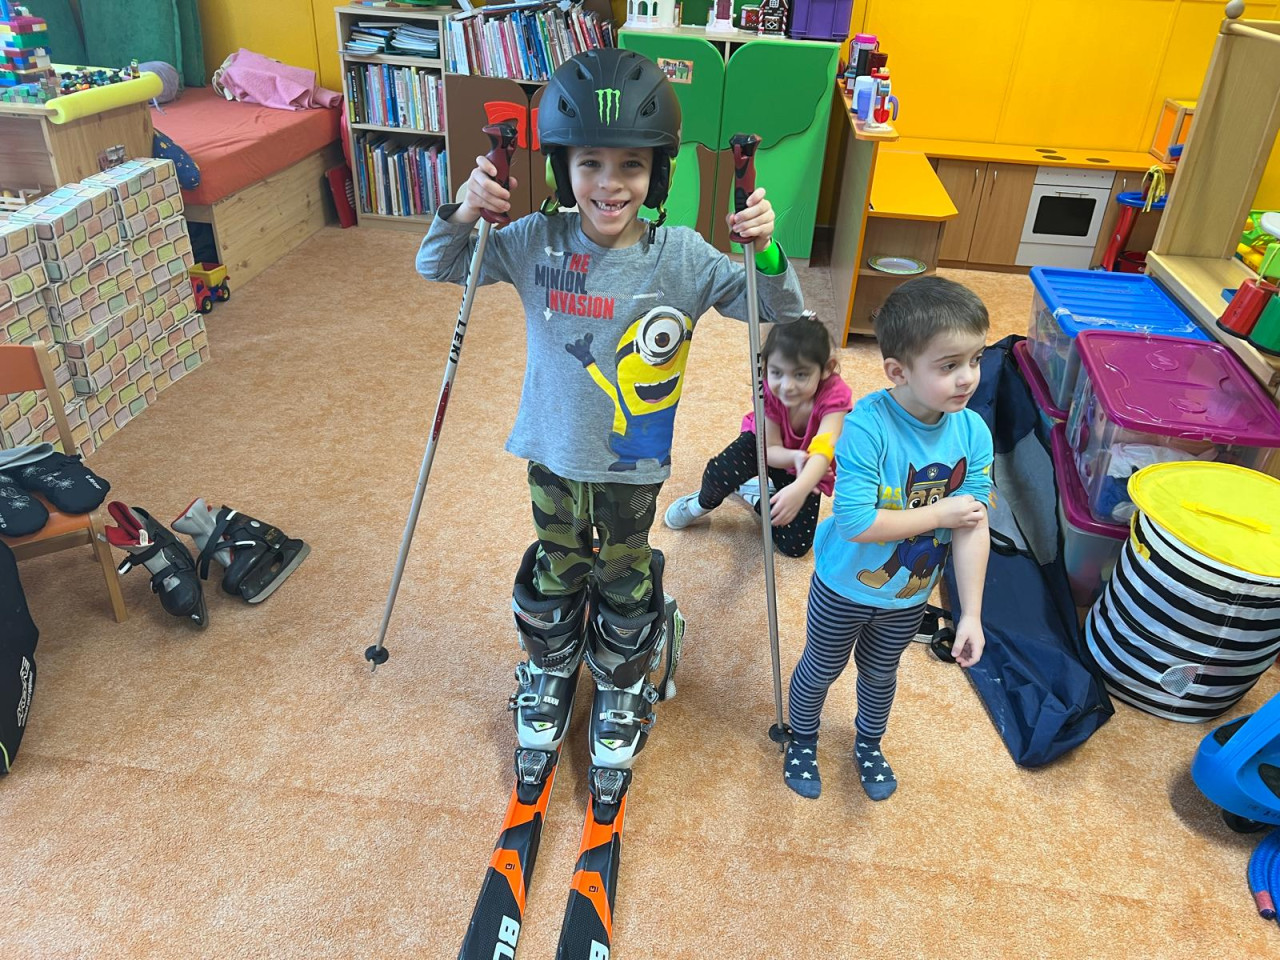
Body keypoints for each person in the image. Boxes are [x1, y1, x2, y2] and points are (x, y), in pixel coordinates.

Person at [415, 49, 804, 801]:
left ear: (658, 173)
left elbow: (779, 308)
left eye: (631, 165)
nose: (609, 184)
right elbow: (439, 263)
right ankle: (552, 667)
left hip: (633, 466)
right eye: (590, 164)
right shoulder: (534, 241)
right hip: (554, 454)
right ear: (564, 171)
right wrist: (465, 208)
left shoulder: (683, 258)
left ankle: (623, 677)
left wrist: (767, 245)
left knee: (624, 571)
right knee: (558, 563)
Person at [782, 276, 993, 801]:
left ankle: (869, 743)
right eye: (949, 365)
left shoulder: (973, 432)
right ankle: (801, 738)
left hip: (907, 595)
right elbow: (855, 522)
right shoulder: (866, 426)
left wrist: (970, 614)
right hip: (843, 586)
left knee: (881, 675)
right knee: (821, 668)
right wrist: (939, 512)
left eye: (976, 359)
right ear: (898, 371)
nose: (968, 377)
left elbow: (972, 524)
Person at [663, 313, 852, 558]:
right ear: (765, 367)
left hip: (810, 465)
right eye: (777, 372)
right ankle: (700, 503)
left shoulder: (835, 395)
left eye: (801, 375)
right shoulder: (768, 390)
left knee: (795, 547)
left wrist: (799, 488)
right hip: (767, 448)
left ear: (827, 369)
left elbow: (824, 448)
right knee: (719, 473)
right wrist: (793, 457)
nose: (787, 386)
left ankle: (755, 495)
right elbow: (770, 450)